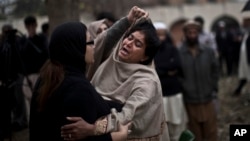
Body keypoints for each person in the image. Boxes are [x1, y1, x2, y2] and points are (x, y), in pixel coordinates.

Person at [61, 6, 169, 141]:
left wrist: (92, 129)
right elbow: (102, 42)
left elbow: (126, 116)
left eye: (138, 44)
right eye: (129, 37)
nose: (129, 43)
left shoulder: (147, 82)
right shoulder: (111, 60)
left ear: (145, 57)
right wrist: (127, 21)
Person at [29, 21, 130, 141]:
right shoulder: (76, 88)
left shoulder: (50, 75)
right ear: (75, 47)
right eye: (90, 42)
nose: (94, 46)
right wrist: (119, 136)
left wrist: (125, 107)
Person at [178, 20, 219, 141]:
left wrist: (212, 86)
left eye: (194, 32)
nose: (192, 35)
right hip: (190, 100)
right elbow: (178, 75)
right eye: (189, 32)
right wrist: (185, 87)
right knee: (195, 132)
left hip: (208, 97)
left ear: (198, 33)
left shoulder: (208, 51)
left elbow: (215, 71)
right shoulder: (179, 53)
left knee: (211, 131)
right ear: (185, 34)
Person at [153, 22, 187, 141]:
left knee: (177, 124)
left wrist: (161, 69)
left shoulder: (172, 49)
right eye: (158, 35)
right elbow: (153, 70)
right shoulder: (150, 51)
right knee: (163, 126)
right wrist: (168, 71)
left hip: (174, 92)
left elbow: (177, 64)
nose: (161, 38)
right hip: (159, 95)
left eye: (163, 35)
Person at [233, 12, 250, 96]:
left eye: (244, 21)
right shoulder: (246, 33)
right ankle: (238, 90)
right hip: (245, 61)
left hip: (248, 61)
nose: (242, 23)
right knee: (245, 77)